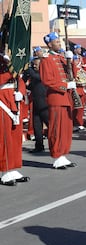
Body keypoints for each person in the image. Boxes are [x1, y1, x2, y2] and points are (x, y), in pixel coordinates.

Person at [39, 32, 77, 169]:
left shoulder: (62, 57)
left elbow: (72, 74)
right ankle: (56, 155)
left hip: (66, 98)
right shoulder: (46, 59)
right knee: (57, 128)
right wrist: (65, 86)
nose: (59, 44)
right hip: (56, 98)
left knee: (66, 129)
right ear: (49, 44)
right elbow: (47, 81)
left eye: (59, 42)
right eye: (56, 42)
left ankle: (63, 154)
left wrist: (71, 61)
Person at [0, 53, 30, 185]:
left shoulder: (9, 60)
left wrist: (21, 92)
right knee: (4, 138)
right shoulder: (5, 62)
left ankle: (13, 167)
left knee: (15, 137)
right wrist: (11, 68)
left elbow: (20, 80)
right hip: (2, 101)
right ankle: (5, 170)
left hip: (14, 100)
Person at [23, 57, 49, 153]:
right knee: (37, 126)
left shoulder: (44, 74)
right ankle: (39, 146)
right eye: (33, 64)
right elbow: (29, 86)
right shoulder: (34, 76)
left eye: (36, 64)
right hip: (36, 104)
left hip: (45, 104)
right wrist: (25, 75)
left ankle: (55, 145)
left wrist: (28, 69)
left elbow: (36, 77)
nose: (34, 66)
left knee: (50, 125)